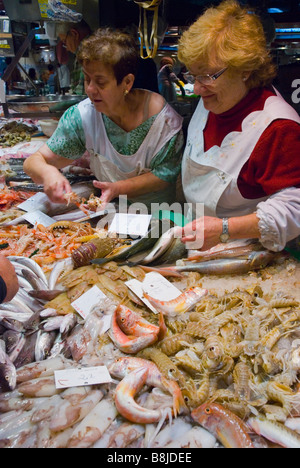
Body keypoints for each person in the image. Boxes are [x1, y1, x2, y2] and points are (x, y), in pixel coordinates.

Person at [177, 0, 300, 253]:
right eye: (192, 76)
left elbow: (294, 208)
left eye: (208, 76)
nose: (197, 89)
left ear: (244, 70)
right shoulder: (211, 100)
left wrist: (225, 229)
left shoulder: (277, 128)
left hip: (249, 254)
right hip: (197, 243)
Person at [23, 28, 184, 209]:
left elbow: (165, 175)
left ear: (127, 82)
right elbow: (33, 161)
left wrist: (118, 188)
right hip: (111, 211)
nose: (90, 89)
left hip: (158, 213)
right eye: (87, 79)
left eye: (100, 82)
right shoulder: (82, 117)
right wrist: (47, 172)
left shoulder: (163, 122)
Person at [56, 19, 91, 95]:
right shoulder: (83, 52)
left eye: (64, 41)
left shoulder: (87, 53)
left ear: (74, 34)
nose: (67, 48)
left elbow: (81, 94)